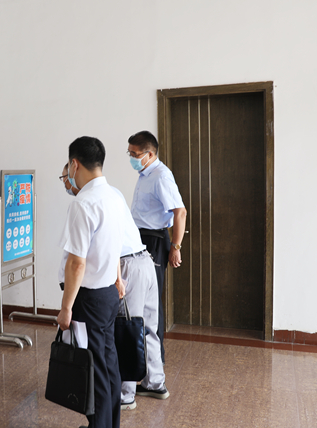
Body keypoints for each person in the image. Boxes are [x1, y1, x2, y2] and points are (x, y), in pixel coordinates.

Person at [59, 163, 169, 410]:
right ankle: (155, 382)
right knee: (147, 327)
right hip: (145, 260)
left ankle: (125, 394)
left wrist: (117, 278)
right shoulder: (112, 193)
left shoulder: (86, 203)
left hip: (126, 264)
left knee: (125, 330)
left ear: (75, 170)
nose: (65, 183)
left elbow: (90, 254)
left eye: (65, 177)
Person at [57, 137, 125, 428]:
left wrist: (66, 308)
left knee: (92, 371)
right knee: (108, 365)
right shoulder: (114, 196)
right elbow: (115, 244)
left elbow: (77, 263)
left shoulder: (83, 203)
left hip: (88, 299)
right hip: (108, 294)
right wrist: (118, 278)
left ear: (75, 164)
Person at [127, 130, 186, 365]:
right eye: (129, 153)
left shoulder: (161, 176)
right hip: (140, 238)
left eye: (135, 154)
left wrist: (175, 246)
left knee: (151, 302)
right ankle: (142, 359)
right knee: (140, 299)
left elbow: (180, 212)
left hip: (154, 241)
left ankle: (155, 362)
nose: (131, 158)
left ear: (149, 154)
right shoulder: (145, 174)